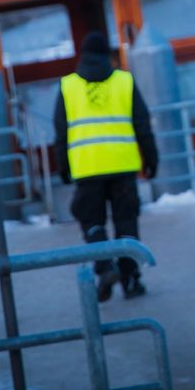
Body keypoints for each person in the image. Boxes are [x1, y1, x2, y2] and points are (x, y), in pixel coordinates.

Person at [54, 30, 158, 301]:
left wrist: (62, 166)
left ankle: (103, 267)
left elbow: (61, 132)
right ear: (106, 55)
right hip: (123, 165)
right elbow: (142, 124)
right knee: (126, 222)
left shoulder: (68, 86)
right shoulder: (124, 81)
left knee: (91, 220)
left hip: (87, 168)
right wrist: (151, 158)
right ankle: (131, 280)